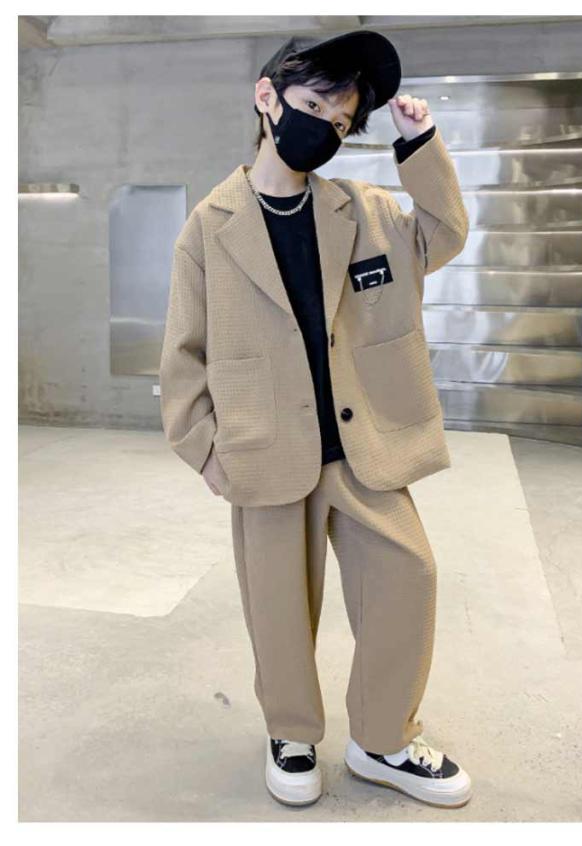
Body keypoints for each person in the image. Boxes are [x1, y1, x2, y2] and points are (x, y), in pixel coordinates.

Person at [159, 29, 471, 809]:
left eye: (339, 122)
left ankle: (383, 739)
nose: (325, 128)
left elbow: (444, 234)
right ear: (267, 98)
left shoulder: (366, 211)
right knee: (278, 608)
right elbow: (182, 356)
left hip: (364, 447)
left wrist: (419, 144)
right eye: (313, 106)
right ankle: (291, 732)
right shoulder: (209, 226)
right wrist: (207, 453)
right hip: (264, 451)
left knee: (409, 579)